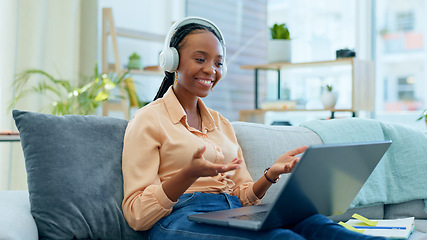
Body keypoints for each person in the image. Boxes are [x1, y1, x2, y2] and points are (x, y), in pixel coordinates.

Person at [121, 17, 388, 240]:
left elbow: (243, 196)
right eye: (200, 59)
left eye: (218, 62)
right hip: (178, 219)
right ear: (172, 61)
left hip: (231, 211)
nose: (210, 70)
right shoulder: (147, 120)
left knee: (317, 224)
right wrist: (187, 174)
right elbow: (136, 215)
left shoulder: (221, 124)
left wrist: (270, 175)